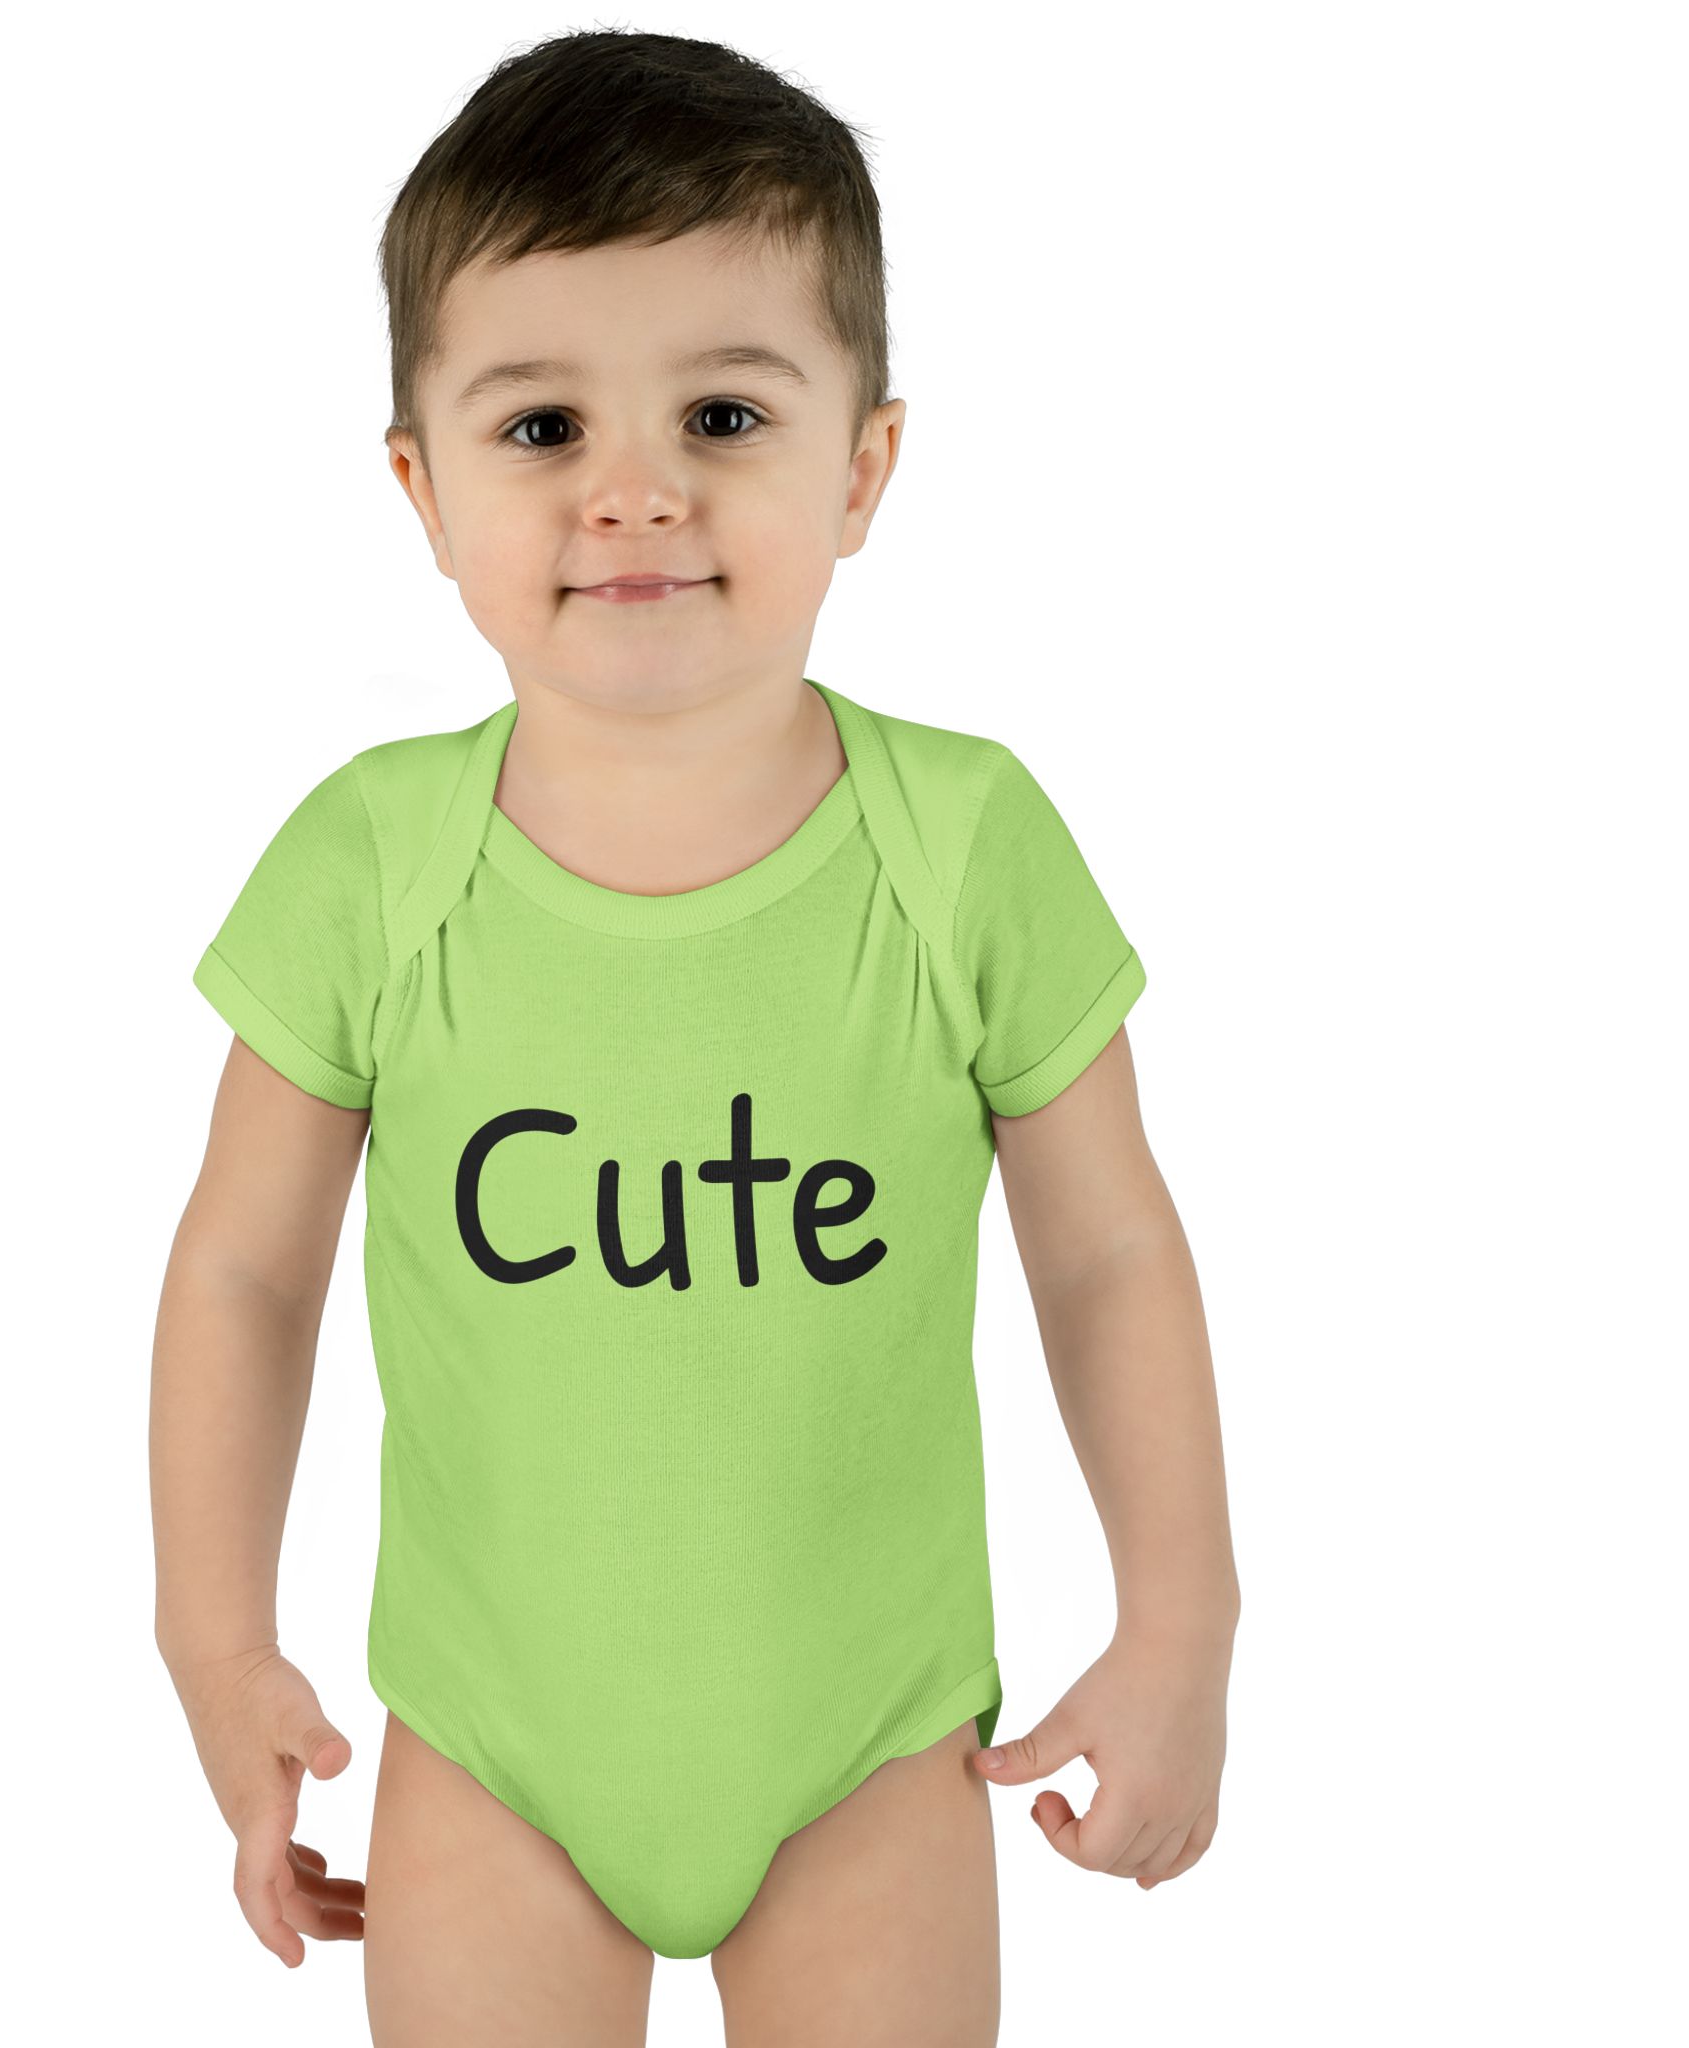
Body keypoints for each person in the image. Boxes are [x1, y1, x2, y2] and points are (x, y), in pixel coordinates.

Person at [150, 28, 1237, 2047]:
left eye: (723, 413)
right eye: (542, 425)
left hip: (869, 1744)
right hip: (490, 1746)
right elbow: (241, 1272)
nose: (634, 491)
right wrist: (216, 1648)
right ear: (423, 489)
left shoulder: (964, 842)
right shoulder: (369, 863)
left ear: (863, 468)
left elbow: (1104, 1252)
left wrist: (1183, 1619)